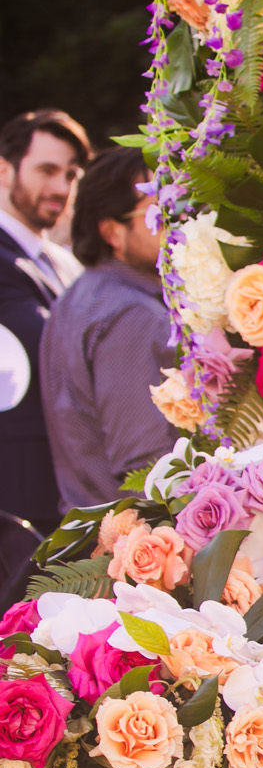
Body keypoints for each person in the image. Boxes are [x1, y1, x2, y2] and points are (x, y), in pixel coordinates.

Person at [38, 146, 177, 511]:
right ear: (112, 232)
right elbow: (147, 470)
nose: (177, 221)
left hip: (98, 542)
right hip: (137, 545)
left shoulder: (78, 299)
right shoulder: (132, 315)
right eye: (158, 212)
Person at [0, 109, 88, 574]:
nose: (60, 188)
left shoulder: (60, 262)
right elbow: (53, 347)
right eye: (47, 170)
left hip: (56, 491)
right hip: (15, 494)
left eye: (71, 174)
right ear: (4, 169)